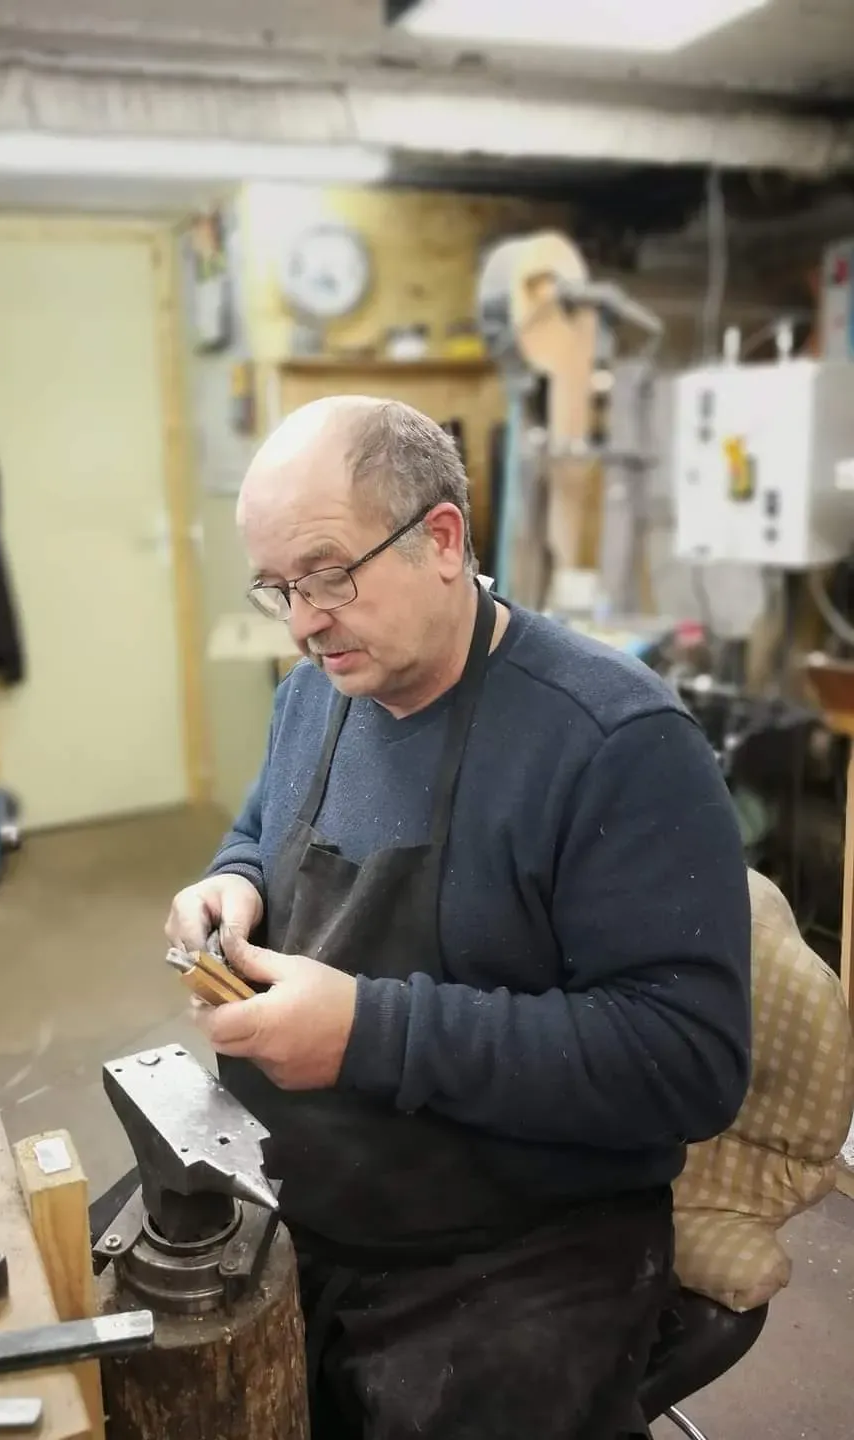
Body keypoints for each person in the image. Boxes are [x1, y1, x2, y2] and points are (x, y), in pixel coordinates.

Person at [165, 396, 752, 1440]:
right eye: (279, 588)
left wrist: (369, 1033)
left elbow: (688, 1061)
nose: (302, 622)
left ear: (441, 539)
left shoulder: (616, 742)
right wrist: (235, 880)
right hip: (300, 1183)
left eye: (328, 575)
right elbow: (260, 824)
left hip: (522, 1242)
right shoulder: (316, 694)